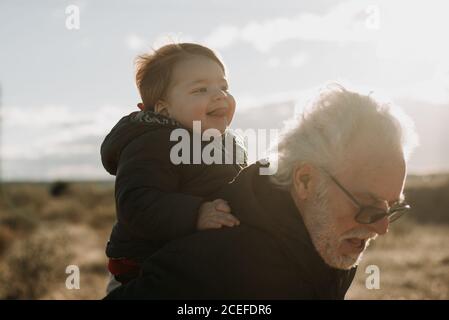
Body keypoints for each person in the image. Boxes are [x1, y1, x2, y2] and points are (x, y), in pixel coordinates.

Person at [105, 83, 418, 299]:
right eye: (368, 205)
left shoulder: (328, 237)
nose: (382, 227)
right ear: (306, 180)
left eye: (391, 207)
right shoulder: (221, 261)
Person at [101, 43, 247, 288]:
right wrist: (195, 213)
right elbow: (137, 203)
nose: (219, 95)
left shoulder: (229, 143)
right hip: (144, 272)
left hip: (199, 263)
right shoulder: (153, 141)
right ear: (164, 110)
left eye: (223, 87)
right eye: (200, 89)